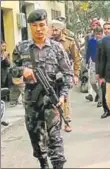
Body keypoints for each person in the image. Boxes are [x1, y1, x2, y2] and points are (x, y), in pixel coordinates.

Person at [11, 9, 73, 168]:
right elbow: (12, 69)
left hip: (52, 101)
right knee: (36, 139)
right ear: (30, 27)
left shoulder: (57, 48)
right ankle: (43, 163)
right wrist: (21, 71)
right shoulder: (21, 48)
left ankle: (58, 165)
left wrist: (63, 95)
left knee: (55, 140)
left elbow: (68, 74)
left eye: (41, 25)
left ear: (47, 26)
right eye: (34, 25)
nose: (38, 29)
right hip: (32, 101)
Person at [50, 19, 81, 132]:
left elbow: (77, 59)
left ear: (62, 30)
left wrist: (76, 74)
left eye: (56, 30)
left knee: (65, 97)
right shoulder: (48, 41)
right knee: (54, 97)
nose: (53, 32)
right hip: (52, 74)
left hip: (65, 73)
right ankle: (55, 121)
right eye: (52, 30)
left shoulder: (69, 42)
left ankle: (67, 121)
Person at [85, 26, 103, 107]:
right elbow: (88, 51)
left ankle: (100, 100)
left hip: (102, 63)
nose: (98, 35)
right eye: (97, 34)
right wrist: (86, 61)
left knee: (100, 82)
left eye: (100, 34)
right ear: (95, 34)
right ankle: (99, 94)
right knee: (92, 82)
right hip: (93, 63)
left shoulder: (104, 41)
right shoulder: (91, 41)